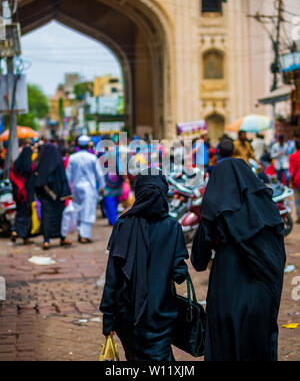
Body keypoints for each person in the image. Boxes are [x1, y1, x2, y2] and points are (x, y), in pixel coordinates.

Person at [191, 155, 286, 361]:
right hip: (262, 293)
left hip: (226, 290)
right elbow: (278, 253)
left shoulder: (216, 207)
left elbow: (198, 260)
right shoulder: (265, 207)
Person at [100, 173, 189, 361]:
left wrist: (108, 318)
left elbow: (113, 276)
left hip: (127, 318)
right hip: (161, 315)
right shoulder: (172, 227)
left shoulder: (122, 225)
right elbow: (179, 274)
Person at [66, 135, 105, 244]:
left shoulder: (72, 158)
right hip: (89, 188)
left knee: (78, 210)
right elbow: (99, 174)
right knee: (87, 211)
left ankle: (81, 232)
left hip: (76, 188)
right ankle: (84, 236)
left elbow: (67, 175)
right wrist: (102, 186)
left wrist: (68, 190)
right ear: (88, 145)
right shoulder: (92, 158)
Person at [35, 144, 72, 250]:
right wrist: (66, 193)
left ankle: (46, 240)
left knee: (47, 217)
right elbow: (63, 179)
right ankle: (61, 237)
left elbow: (37, 181)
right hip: (58, 196)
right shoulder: (58, 161)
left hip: (45, 196)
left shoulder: (41, 163)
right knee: (58, 217)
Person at [10, 144, 36, 245]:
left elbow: (13, 177)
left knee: (19, 212)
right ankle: (25, 236)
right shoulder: (30, 166)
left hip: (18, 193)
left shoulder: (17, 163)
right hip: (27, 194)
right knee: (27, 214)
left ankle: (15, 230)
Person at [289, 138, 300, 224]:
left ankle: (299, 217)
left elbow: (291, 171)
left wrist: (290, 182)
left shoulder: (293, 156)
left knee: (297, 200)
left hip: (297, 181)